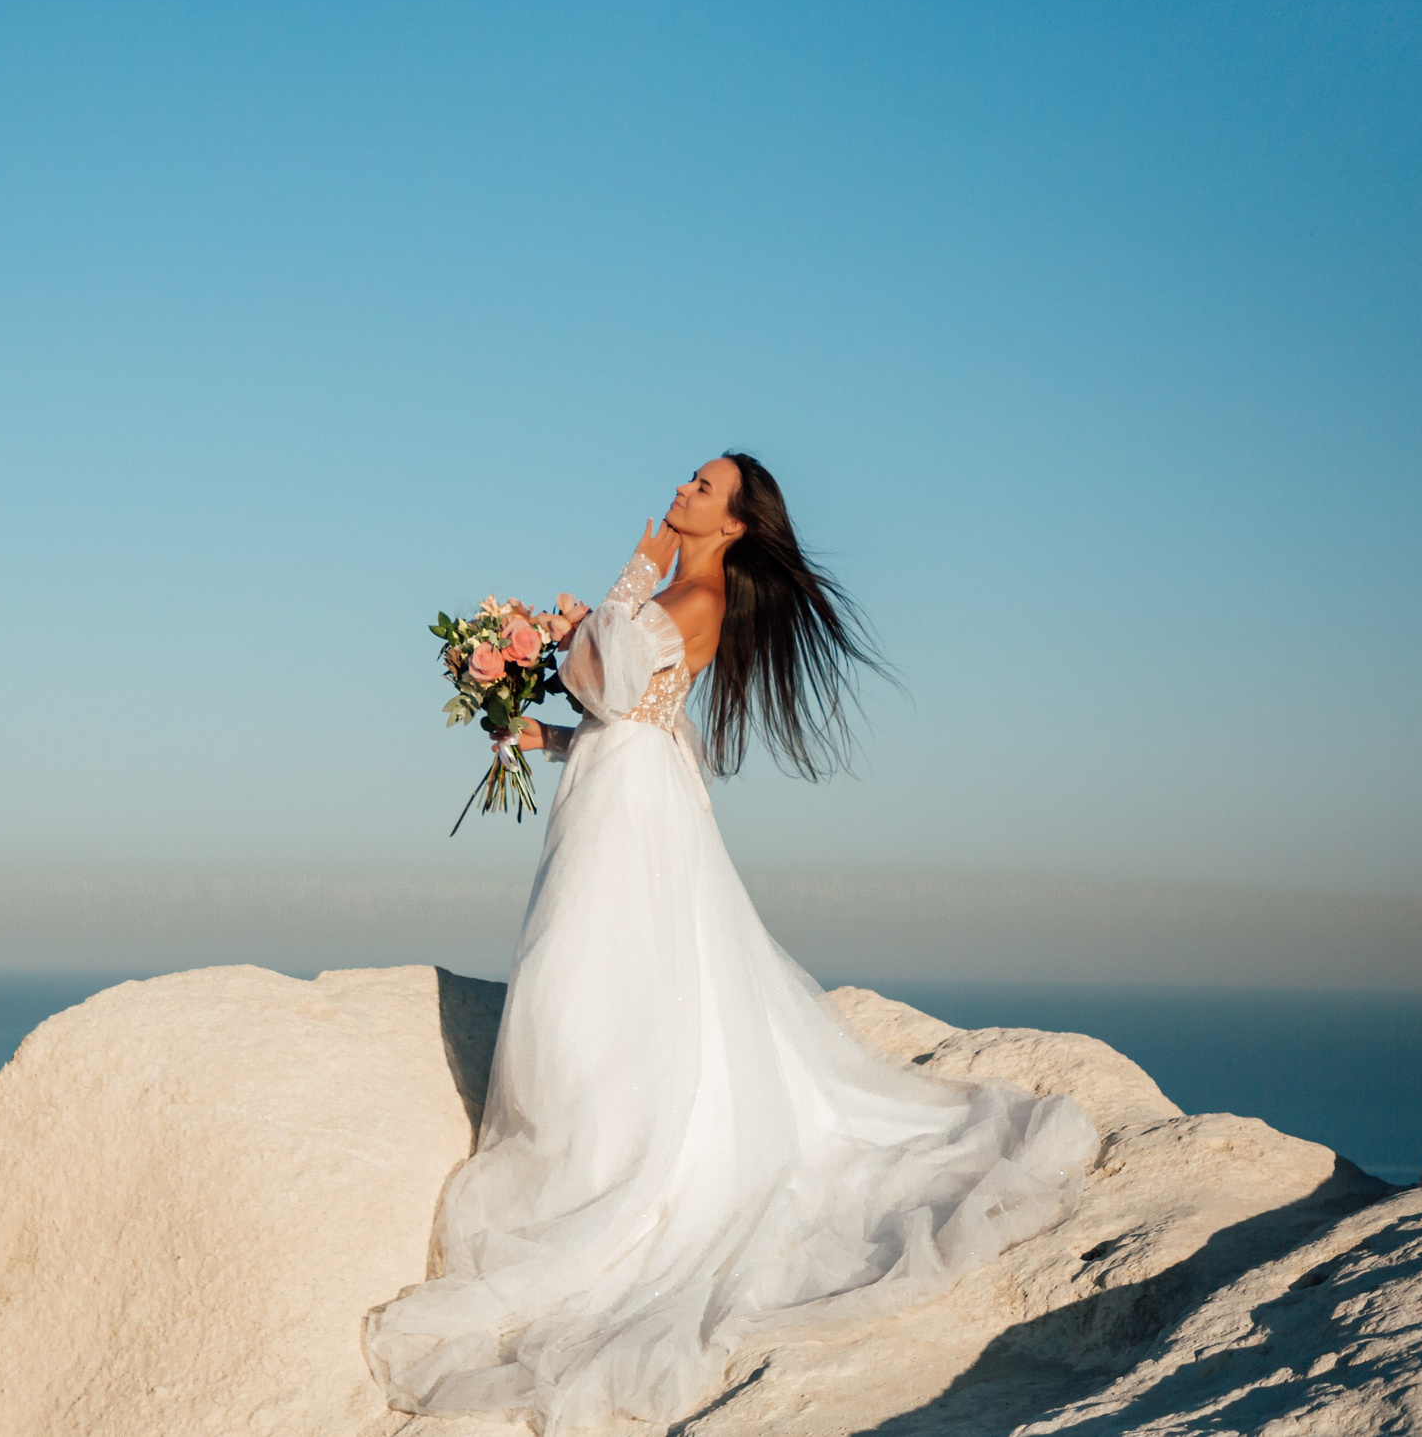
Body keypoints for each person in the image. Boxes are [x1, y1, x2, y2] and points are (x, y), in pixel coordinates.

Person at [365, 454, 1097, 1435]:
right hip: (619, 792)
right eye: (688, 480)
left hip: (630, 815)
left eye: (702, 489)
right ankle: (586, 1141)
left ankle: (605, 1169)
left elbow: (602, 676)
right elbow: (621, 713)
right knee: (589, 978)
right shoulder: (680, 587)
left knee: (587, 981)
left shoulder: (697, 590)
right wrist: (532, 735)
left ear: (736, 524)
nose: (681, 490)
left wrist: (615, 575)